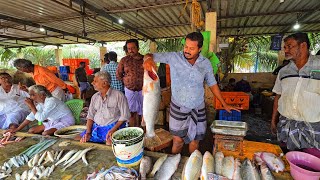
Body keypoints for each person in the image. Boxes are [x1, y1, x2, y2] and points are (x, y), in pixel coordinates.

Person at [143, 32, 239, 154]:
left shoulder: (205, 64)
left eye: (192, 48)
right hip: (178, 106)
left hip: (198, 107)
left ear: (199, 49)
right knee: (177, 141)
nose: (187, 50)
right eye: (186, 46)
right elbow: (148, 55)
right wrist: (148, 59)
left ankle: (190, 165)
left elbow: (212, 84)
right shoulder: (173, 57)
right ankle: (174, 164)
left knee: (195, 142)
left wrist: (224, 104)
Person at [271, 32, 320, 151]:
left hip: (313, 127)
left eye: (289, 46)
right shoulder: (284, 72)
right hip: (286, 125)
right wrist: (273, 120)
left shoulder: (318, 66)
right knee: (286, 161)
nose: (285, 50)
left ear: (303, 46)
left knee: (310, 163)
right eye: (284, 47)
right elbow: (278, 96)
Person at [77, 71, 130, 145]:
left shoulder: (119, 95)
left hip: (113, 127)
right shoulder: (95, 97)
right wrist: (88, 133)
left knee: (109, 143)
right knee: (78, 138)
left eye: (95, 81)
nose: (92, 83)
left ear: (104, 83)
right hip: (96, 127)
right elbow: (90, 116)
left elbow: (125, 116)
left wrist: (113, 130)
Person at [6, 85, 75, 136]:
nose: (31, 98)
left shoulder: (51, 101)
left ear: (41, 95)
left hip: (65, 121)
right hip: (54, 121)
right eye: (30, 95)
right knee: (31, 131)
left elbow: (41, 118)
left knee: (45, 133)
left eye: (33, 95)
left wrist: (32, 106)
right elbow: (31, 117)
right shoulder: (41, 102)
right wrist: (17, 129)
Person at [116, 39, 144, 127]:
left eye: (133, 48)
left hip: (143, 90)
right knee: (130, 113)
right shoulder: (124, 60)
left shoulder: (145, 59)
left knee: (144, 112)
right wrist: (127, 81)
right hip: (129, 91)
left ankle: (143, 133)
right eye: (129, 48)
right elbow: (118, 74)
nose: (131, 50)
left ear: (138, 48)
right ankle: (133, 131)